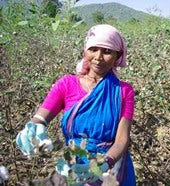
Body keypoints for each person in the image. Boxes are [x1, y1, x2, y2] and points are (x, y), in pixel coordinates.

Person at [16, 24, 136, 186]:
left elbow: (121, 139)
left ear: (118, 55)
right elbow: (40, 119)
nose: (98, 57)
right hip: (72, 163)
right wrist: (32, 129)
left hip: (110, 169)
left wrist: (105, 163)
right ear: (85, 50)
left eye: (107, 51)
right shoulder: (67, 84)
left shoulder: (123, 91)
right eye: (93, 49)